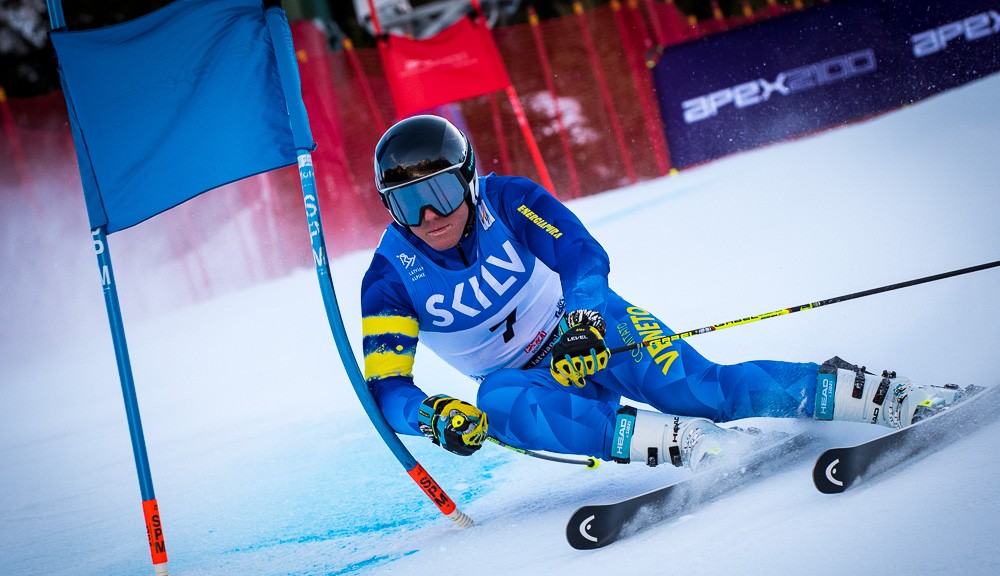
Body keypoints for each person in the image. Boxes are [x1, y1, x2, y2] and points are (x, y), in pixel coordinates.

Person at [360, 115, 963, 469]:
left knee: (702, 390)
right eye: (407, 204)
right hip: (531, 382)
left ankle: (877, 395)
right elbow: (387, 390)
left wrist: (583, 320)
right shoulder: (389, 280)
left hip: (593, 332)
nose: (429, 217)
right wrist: (431, 417)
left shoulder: (509, 200)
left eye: (440, 193)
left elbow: (582, 256)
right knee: (497, 402)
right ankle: (688, 444)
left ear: (467, 179)